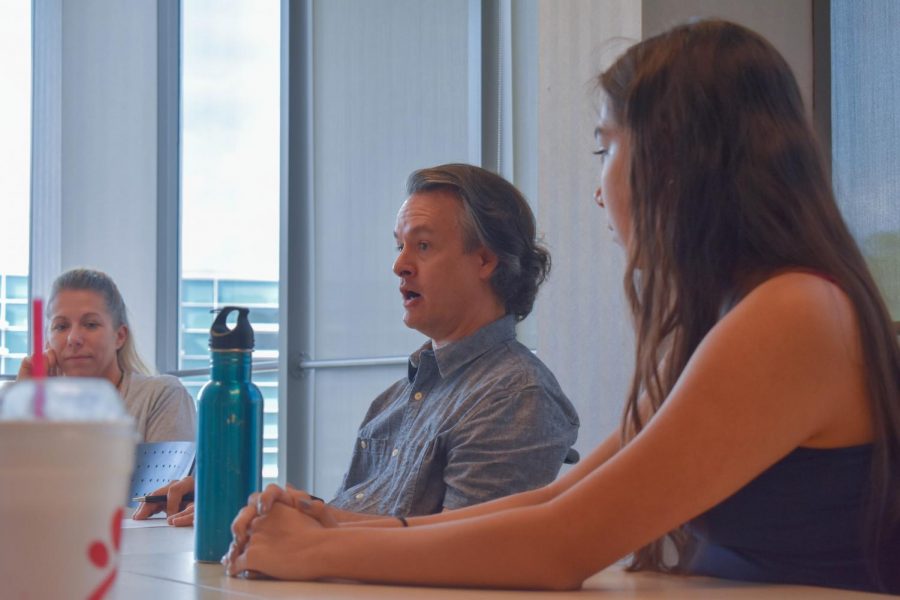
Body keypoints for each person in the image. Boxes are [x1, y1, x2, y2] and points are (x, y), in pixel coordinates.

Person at [222, 20, 900, 593]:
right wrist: (339, 523)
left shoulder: (794, 313)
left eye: (606, 149)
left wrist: (314, 553)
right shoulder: (739, 315)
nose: (600, 189)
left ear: (672, 161)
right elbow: (557, 501)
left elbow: (562, 545)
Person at [134, 163, 580, 526]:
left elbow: (464, 553)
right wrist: (252, 506)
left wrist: (297, 526)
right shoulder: (398, 397)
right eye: (400, 246)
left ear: (485, 260)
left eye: (422, 246)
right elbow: (358, 516)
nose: (400, 265)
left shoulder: (517, 394)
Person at [18, 268, 196, 443]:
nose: (73, 339)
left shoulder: (161, 396)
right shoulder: (37, 407)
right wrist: (22, 406)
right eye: (61, 327)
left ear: (119, 336)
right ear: (48, 341)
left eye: (90, 324)